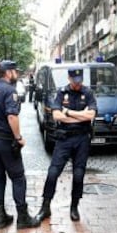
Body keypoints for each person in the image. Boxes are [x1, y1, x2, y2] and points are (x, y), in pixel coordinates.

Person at [0, 60, 40, 230]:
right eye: (15, 71)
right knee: (18, 177)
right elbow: (12, 116)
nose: (16, 74)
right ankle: (23, 218)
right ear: (8, 73)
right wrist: (18, 137)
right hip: (6, 140)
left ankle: (1, 217)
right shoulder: (9, 91)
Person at [36, 66, 97, 222]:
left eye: (80, 81)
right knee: (53, 173)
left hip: (82, 139)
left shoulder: (88, 93)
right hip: (64, 139)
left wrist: (68, 112)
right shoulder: (62, 92)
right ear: (69, 79)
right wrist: (80, 116)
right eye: (74, 81)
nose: (77, 84)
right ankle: (45, 206)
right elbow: (56, 115)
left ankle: (74, 206)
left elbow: (91, 115)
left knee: (78, 175)